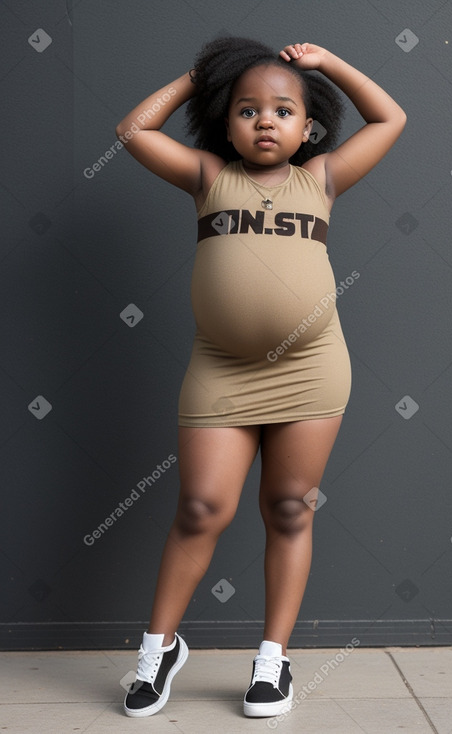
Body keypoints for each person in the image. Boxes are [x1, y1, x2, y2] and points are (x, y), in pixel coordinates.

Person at [115, 36, 406, 719]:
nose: (264, 121)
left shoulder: (323, 178)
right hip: (220, 371)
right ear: (225, 122)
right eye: (246, 109)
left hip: (309, 370)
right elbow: (131, 129)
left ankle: (271, 663)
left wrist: (330, 63)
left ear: (309, 127)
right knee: (198, 510)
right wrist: (199, 75)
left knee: (287, 508)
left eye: (281, 110)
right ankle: (158, 651)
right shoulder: (207, 176)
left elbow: (390, 119)